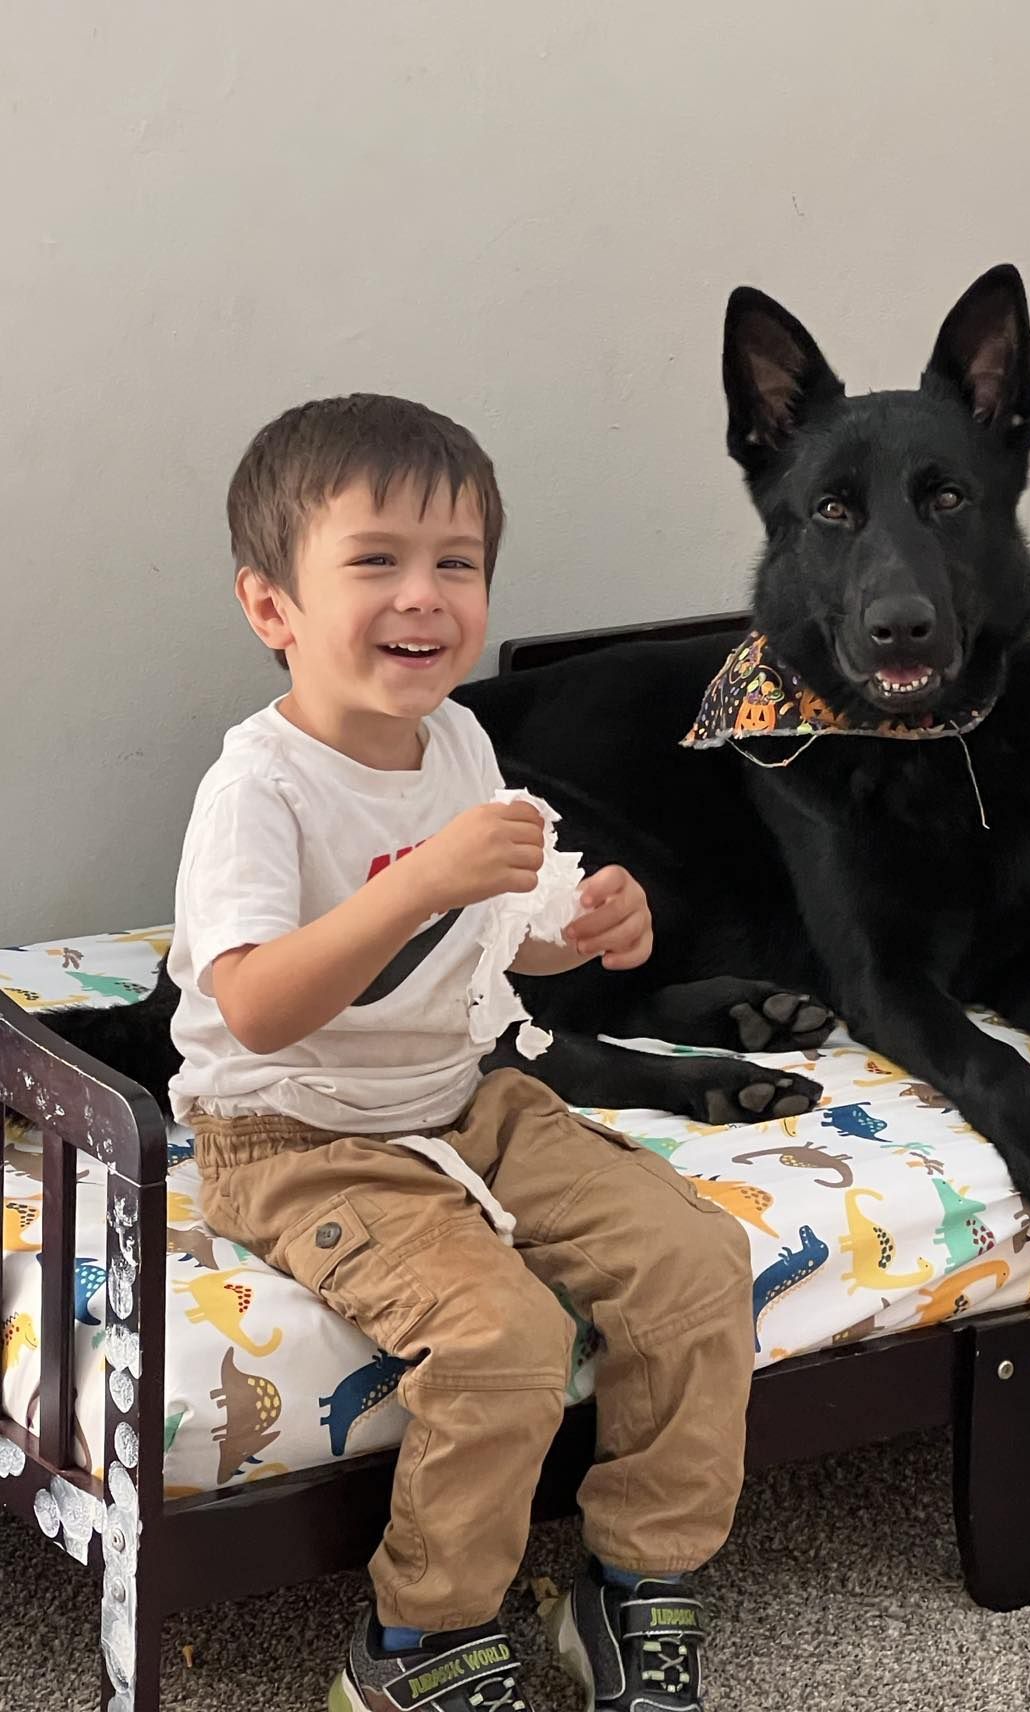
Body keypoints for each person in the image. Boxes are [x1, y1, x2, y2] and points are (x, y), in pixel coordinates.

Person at [166, 392, 755, 1712]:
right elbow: (254, 1004)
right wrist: (421, 879)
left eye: (457, 563)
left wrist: (585, 926)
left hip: (458, 1094)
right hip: (295, 1131)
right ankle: (415, 1642)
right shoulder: (258, 788)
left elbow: (494, 941)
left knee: (693, 1259)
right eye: (375, 561)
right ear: (272, 607)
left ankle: (638, 1572)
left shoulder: (460, 741)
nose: (423, 595)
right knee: (501, 1336)